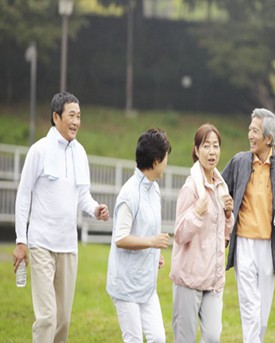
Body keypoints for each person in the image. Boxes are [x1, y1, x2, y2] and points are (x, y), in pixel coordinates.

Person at [13, 92, 109, 343]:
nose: (76, 121)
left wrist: (96, 209)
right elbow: (23, 196)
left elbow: (83, 196)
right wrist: (21, 241)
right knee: (47, 317)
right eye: (71, 115)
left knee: (63, 319)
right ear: (56, 117)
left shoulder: (80, 153)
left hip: (68, 246)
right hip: (41, 243)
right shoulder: (39, 151)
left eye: (79, 116)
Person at [221, 108, 275, 343]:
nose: (250, 135)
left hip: (269, 245)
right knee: (249, 305)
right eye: (249, 130)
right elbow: (220, 187)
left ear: (269, 138)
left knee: (262, 311)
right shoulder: (239, 161)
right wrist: (225, 205)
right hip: (244, 241)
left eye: (255, 131)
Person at [170, 123, 234, 342]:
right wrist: (197, 213)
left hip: (214, 280)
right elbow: (179, 235)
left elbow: (223, 237)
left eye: (216, 146)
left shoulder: (221, 187)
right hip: (189, 278)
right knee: (185, 338)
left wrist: (227, 214)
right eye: (206, 146)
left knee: (212, 337)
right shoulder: (190, 188)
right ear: (196, 150)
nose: (212, 151)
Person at [106, 128, 172, 343]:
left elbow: (144, 231)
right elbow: (120, 238)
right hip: (125, 285)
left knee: (158, 339)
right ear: (155, 160)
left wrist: (154, 252)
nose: (166, 164)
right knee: (133, 339)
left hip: (146, 284)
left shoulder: (154, 189)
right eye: (165, 159)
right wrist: (152, 242)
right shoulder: (129, 194)